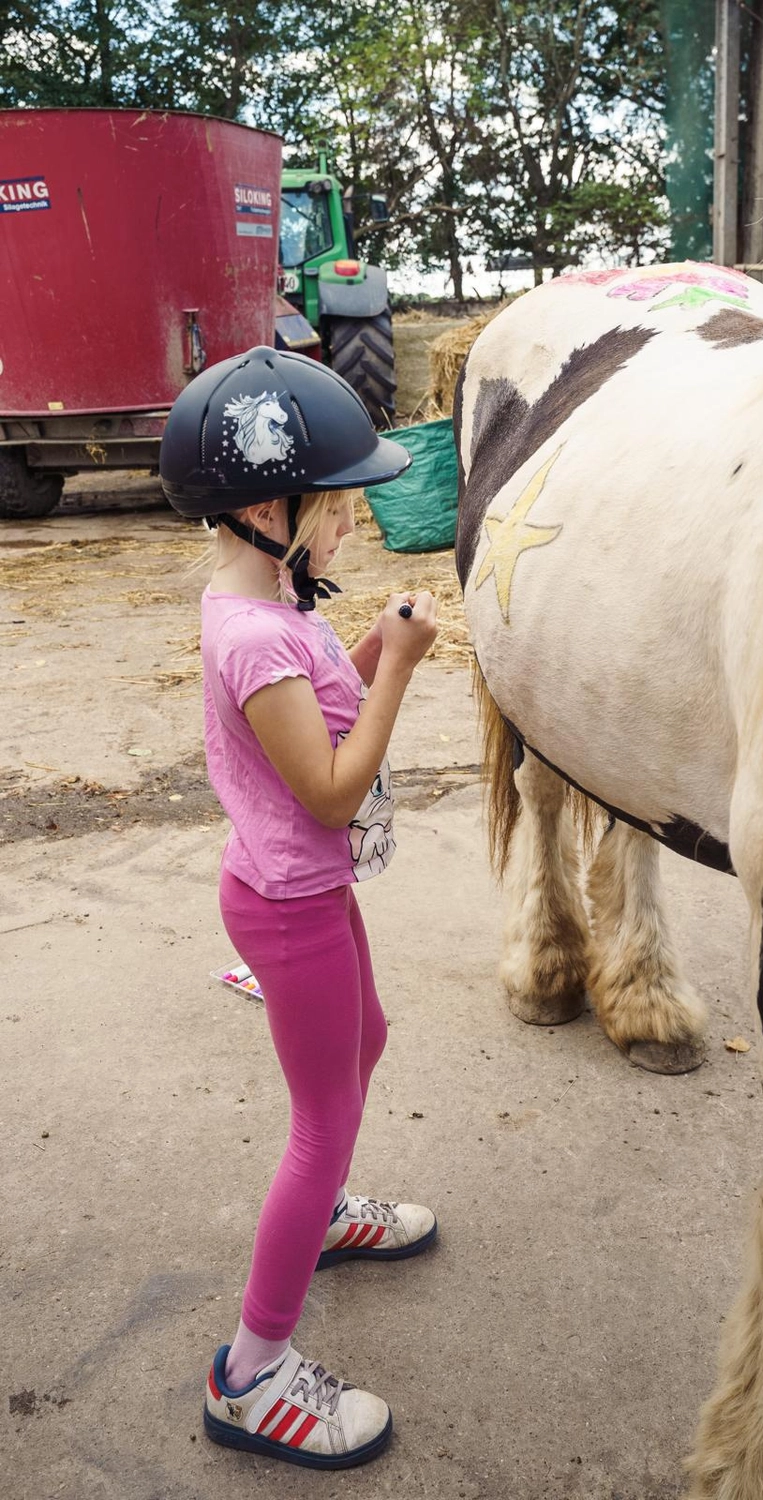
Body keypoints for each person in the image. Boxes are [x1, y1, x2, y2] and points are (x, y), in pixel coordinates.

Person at [159, 346, 439, 1469]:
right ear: (271, 508)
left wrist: (369, 643)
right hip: (291, 905)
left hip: (298, 890)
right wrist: (402, 670)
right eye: (338, 507)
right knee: (322, 1127)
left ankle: (321, 1221)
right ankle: (252, 1374)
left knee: (365, 1042)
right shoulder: (257, 640)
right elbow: (329, 790)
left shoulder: (269, 601)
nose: (351, 526)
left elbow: (327, 697)